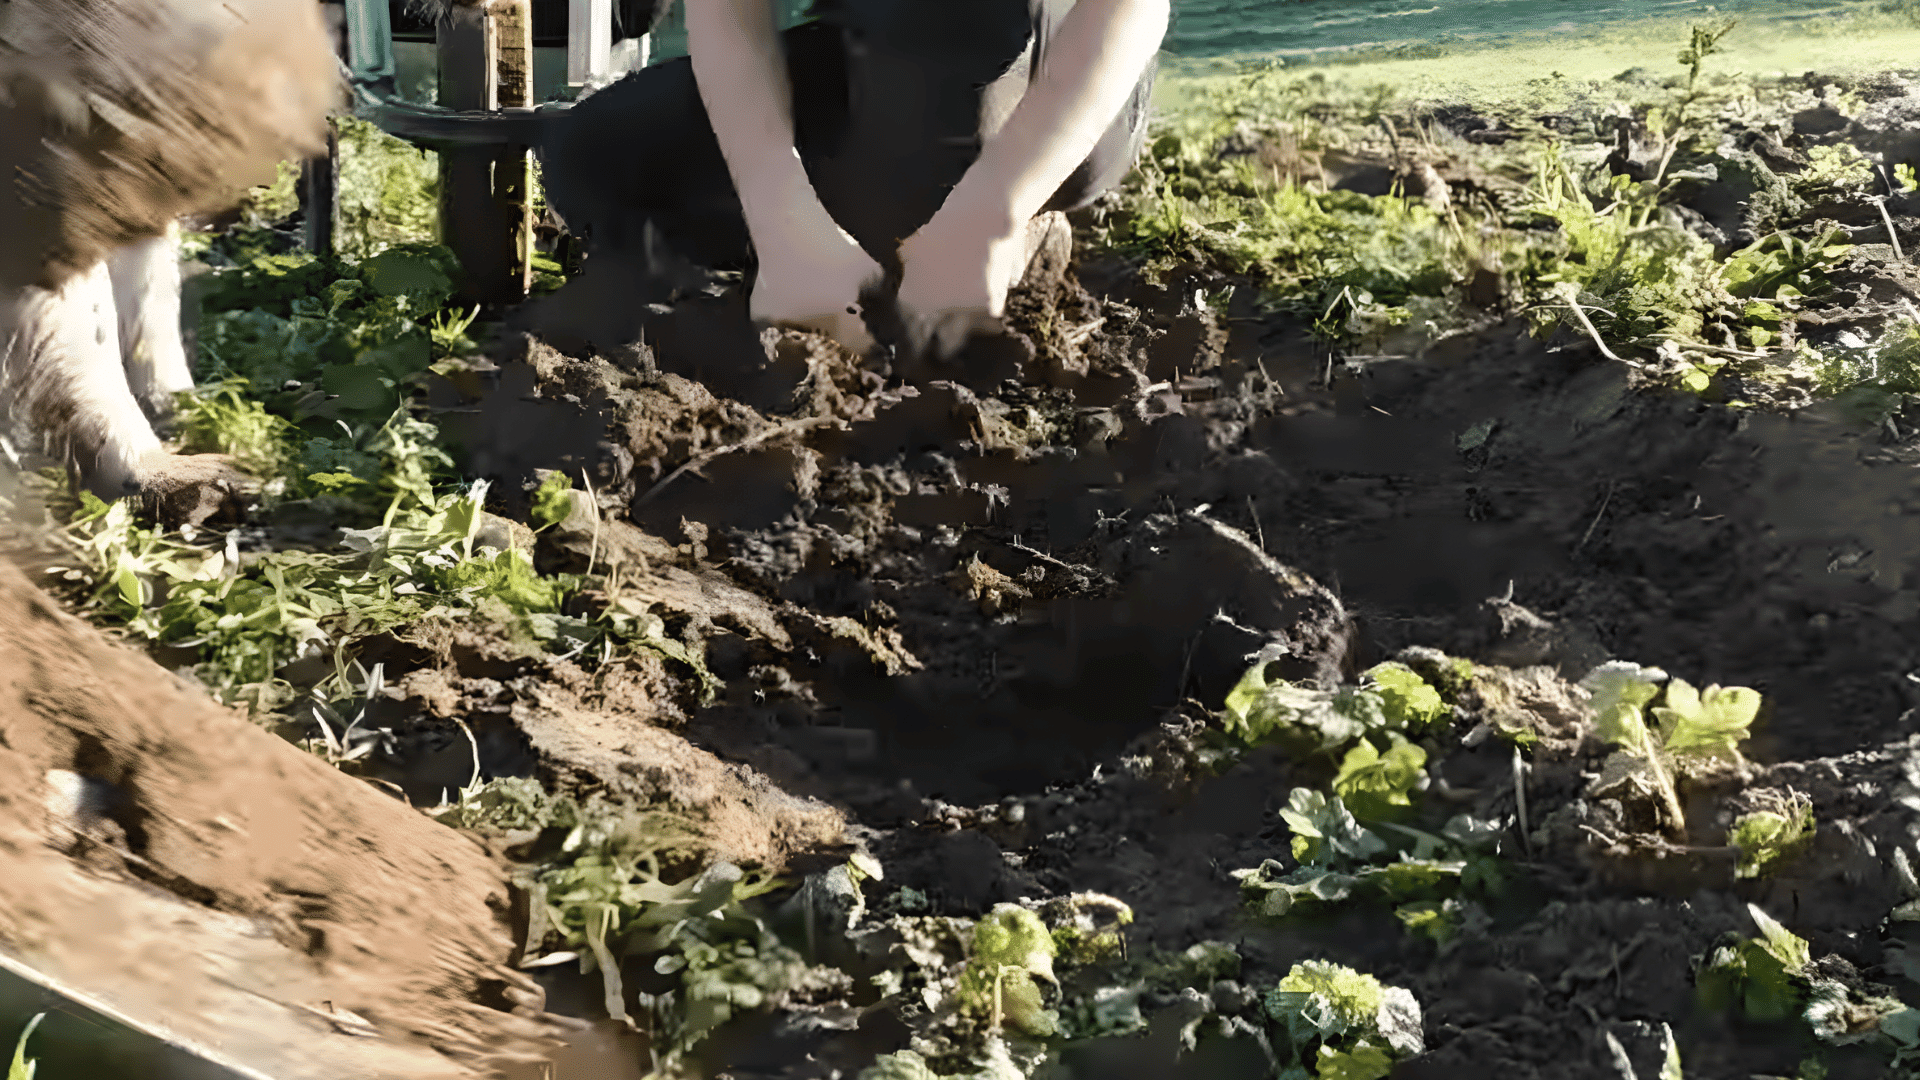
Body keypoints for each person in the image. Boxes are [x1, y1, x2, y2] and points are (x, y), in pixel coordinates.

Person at [539, 0, 1168, 362]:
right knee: (593, 162)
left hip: (1060, 65)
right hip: (872, 40)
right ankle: (844, 249)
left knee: (916, 190)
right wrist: (781, 215)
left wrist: (991, 215)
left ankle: (1009, 222)